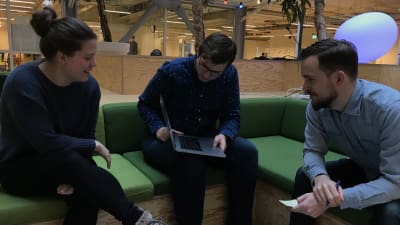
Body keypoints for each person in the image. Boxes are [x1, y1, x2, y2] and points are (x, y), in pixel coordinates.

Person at [0, 7, 166, 225]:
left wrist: (78, 174)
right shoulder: (22, 83)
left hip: (67, 164)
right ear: (62, 57)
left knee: (87, 192)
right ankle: (137, 219)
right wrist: (93, 146)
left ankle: (139, 220)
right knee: (81, 174)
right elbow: (45, 143)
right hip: (20, 168)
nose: (94, 64)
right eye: (88, 57)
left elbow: (82, 139)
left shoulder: (89, 88)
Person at [137, 32, 258, 225]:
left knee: (248, 153)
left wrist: (225, 134)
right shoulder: (172, 71)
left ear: (226, 67)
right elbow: (144, 104)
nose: (206, 74)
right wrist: (158, 127)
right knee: (191, 161)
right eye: (203, 65)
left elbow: (232, 115)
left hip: (205, 137)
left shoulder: (229, 75)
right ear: (198, 53)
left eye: (214, 72)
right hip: (165, 140)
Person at [289, 39, 400, 225]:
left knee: (390, 213)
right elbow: (313, 150)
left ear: (339, 78)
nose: (304, 87)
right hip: (368, 168)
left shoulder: (390, 110)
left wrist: (335, 199)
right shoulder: (318, 106)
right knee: (305, 175)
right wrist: (320, 178)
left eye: (310, 79)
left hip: (395, 179)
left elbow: (395, 182)